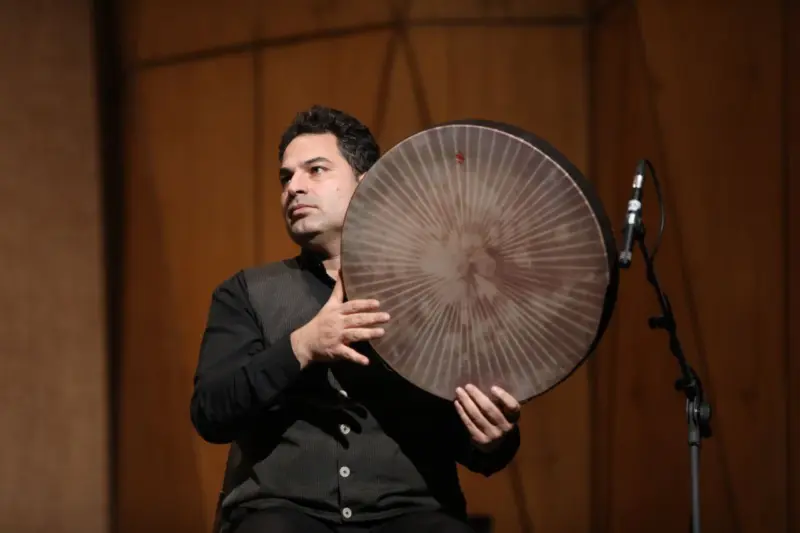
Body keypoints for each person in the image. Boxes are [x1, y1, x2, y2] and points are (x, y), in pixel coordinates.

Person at [190, 105, 522, 533]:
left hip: (408, 514)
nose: (294, 187)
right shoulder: (247, 293)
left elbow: (472, 440)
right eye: (286, 177)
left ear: (367, 185)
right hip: (282, 513)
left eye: (315, 170)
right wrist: (302, 346)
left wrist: (492, 438)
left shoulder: (435, 292)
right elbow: (211, 412)